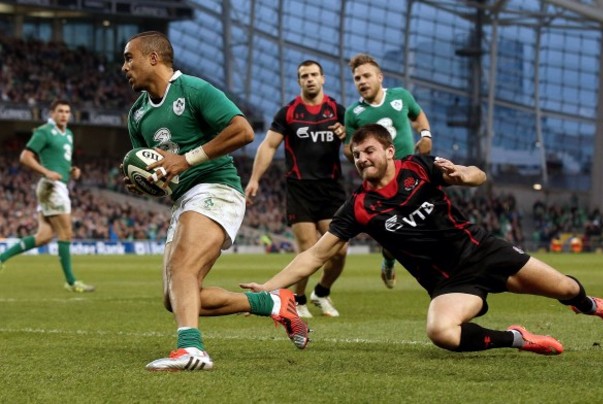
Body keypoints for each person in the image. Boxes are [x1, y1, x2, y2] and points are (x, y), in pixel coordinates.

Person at [242, 124, 603, 356]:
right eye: (356, 155)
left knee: (566, 287)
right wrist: (270, 289)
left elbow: (478, 175)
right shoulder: (358, 207)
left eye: (369, 151)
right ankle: (518, 339)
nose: (361, 159)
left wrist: (463, 175)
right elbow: (315, 254)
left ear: (389, 151)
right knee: (441, 333)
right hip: (450, 282)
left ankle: (588, 304)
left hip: (484, 250)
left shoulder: (419, 166)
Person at [121, 31, 308, 371]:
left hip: (216, 188)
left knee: (182, 269)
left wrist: (187, 160)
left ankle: (191, 350)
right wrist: (146, 183)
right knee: (176, 296)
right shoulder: (137, 116)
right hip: (182, 201)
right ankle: (272, 303)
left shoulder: (193, 90)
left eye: (129, 57)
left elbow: (244, 130)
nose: (124, 67)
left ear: (153, 58)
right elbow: (158, 167)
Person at [245, 60, 348, 318]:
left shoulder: (338, 111)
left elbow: (354, 149)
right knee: (308, 247)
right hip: (300, 189)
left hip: (331, 189)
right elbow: (268, 146)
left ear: (323, 78)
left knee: (340, 251)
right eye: (305, 76)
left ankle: (321, 292)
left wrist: (348, 136)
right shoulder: (288, 112)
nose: (310, 79)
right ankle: (298, 300)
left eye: (314, 74)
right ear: (299, 81)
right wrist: (255, 178)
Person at [344, 53, 433, 289]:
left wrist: (425, 135)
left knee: (427, 220)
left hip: (412, 170)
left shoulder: (401, 96)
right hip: (384, 180)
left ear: (379, 77)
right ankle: (389, 259)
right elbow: (348, 149)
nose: (361, 81)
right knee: (393, 230)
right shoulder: (353, 113)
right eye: (356, 78)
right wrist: (356, 153)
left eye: (366, 76)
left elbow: (418, 115)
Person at [0, 99, 95, 293]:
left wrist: (72, 170)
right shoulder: (43, 132)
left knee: (43, 237)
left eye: (67, 111)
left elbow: (59, 162)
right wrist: (46, 172)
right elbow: (25, 157)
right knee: (66, 234)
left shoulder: (68, 134)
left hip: (58, 185)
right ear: (51, 113)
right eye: (60, 111)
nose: (64, 115)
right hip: (52, 187)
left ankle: (1, 258)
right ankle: (71, 282)